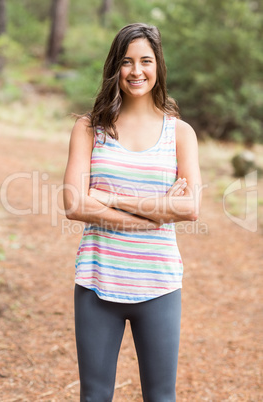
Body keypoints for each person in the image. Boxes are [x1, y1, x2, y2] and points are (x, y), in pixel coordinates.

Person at [63, 23, 202, 402]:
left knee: (160, 397)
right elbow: (75, 204)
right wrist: (159, 213)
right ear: (115, 67)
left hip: (159, 284)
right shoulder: (90, 128)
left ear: (158, 66)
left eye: (145, 60)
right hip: (97, 281)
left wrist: (109, 198)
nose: (136, 71)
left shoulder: (180, 133)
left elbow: (189, 208)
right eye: (126, 61)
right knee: (94, 396)